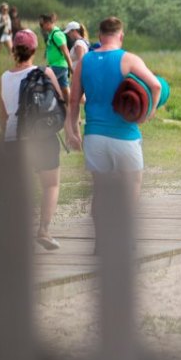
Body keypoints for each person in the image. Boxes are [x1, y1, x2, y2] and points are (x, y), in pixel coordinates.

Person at [65, 17, 161, 217]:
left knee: (100, 191)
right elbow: (156, 85)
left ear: (100, 35)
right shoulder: (128, 59)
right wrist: (148, 113)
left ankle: (100, 244)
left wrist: (72, 131)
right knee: (131, 185)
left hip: (94, 137)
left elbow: (73, 101)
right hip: (125, 135)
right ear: (121, 36)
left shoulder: (84, 61)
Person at [0, 29, 63, 250]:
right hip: (42, 137)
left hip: (14, 138)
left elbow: (4, 116)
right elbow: (59, 102)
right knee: (51, 184)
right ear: (34, 49)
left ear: (13, 49)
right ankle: (43, 230)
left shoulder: (4, 78)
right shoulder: (45, 72)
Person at [40, 13, 73, 94]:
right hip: (58, 65)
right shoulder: (51, 34)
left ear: (48, 23)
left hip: (58, 66)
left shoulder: (56, 34)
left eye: (42, 24)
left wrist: (71, 67)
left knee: (43, 82)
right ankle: (68, 106)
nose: (41, 27)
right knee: (64, 88)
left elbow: (66, 51)